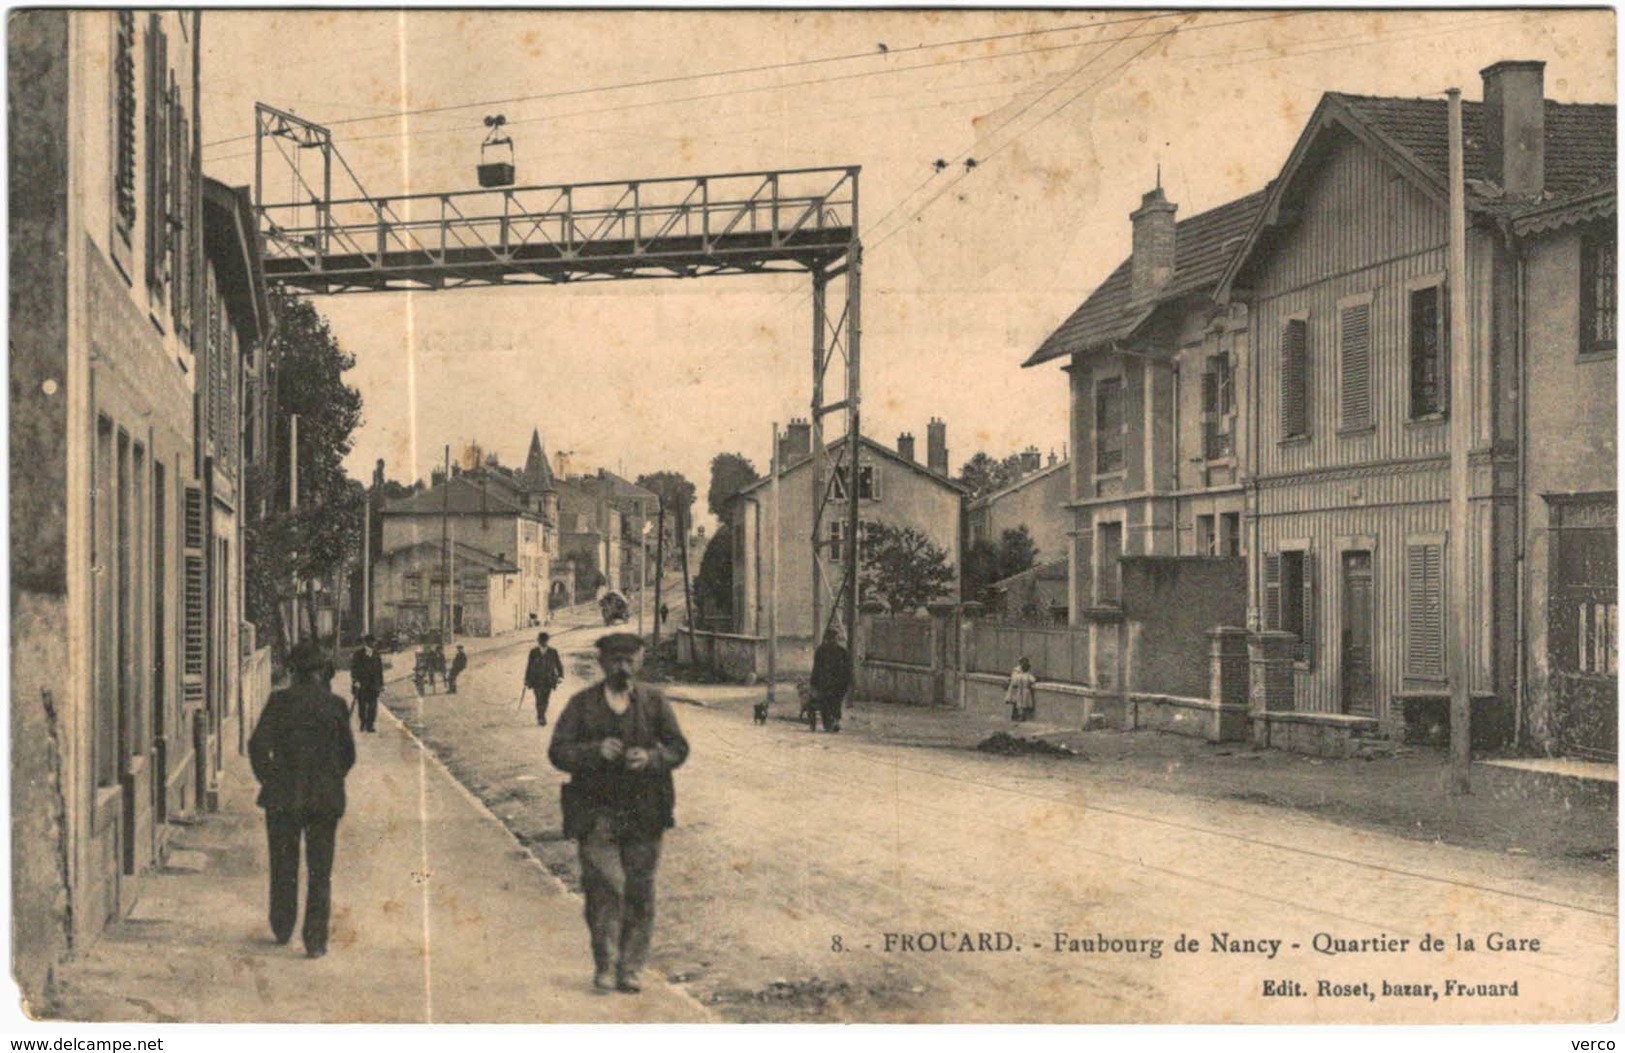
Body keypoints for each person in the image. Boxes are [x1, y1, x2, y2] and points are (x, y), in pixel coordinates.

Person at [548, 633, 689, 994]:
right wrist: (594, 751)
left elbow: (678, 747)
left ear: (639, 662)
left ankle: (631, 968)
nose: (622, 668)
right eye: (615, 661)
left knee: (640, 892)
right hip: (597, 812)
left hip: (645, 813)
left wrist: (652, 758)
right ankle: (606, 965)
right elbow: (558, 751)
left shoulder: (654, 703)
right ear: (602, 663)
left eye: (629, 661)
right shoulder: (583, 704)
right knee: (605, 888)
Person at [248, 640, 357, 959]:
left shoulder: (279, 702)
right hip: (325, 800)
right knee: (320, 871)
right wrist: (330, 778)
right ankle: (316, 940)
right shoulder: (335, 705)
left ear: (293, 671)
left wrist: (271, 779)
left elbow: (256, 745)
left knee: (284, 865)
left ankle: (282, 927)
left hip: (283, 798)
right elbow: (348, 756)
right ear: (321, 672)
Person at [808, 627, 851, 733]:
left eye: (835, 639)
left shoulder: (842, 652)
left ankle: (835, 720)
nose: (834, 641)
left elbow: (847, 669)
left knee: (836, 702)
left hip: (839, 683)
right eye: (831, 639)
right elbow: (816, 668)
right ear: (826, 639)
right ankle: (828, 723)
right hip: (824, 683)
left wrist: (847, 682)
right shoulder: (821, 651)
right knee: (825, 701)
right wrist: (813, 684)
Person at [524, 631, 566, 726]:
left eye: (545, 640)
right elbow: (529, 666)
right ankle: (541, 716)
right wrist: (526, 679)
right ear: (538, 641)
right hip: (536, 680)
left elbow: (559, 665)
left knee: (546, 699)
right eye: (541, 641)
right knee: (539, 698)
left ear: (548, 641)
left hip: (549, 680)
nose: (543, 642)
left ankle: (541, 715)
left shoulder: (553, 652)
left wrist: (560, 676)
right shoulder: (533, 652)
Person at [350, 634, 385, 733]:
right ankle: (363, 722)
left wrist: (381, 684)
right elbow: (354, 669)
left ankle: (370, 725)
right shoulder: (358, 654)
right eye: (372, 642)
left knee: (373, 706)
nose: (374, 644)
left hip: (373, 685)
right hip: (362, 684)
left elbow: (379, 670)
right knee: (362, 705)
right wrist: (355, 681)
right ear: (367, 643)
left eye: (374, 642)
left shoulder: (376, 654)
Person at [1005, 656, 1038, 722]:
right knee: (1018, 702)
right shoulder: (1018, 671)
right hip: (1017, 689)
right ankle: (1017, 715)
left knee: (1019, 703)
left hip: (1019, 689)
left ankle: (1017, 715)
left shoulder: (1022, 673)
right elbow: (1014, 680)